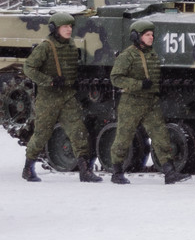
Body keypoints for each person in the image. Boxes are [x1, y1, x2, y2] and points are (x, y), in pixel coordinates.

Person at [20, 11, 101, 182]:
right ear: (54, 28)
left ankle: (84, 170)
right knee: (41, 134)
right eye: (65, 26)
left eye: (70, 26)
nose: (69, 29)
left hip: (67, 96)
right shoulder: (45, 47)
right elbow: (29, 68)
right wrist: (49, 81)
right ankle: (28, 168)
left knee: (78, 131)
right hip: (48, 98)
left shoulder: (71, 46)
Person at [108, 20, 184, 184]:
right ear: (136, 36)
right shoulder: (128, 55)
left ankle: (169, 171)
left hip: (150, 102)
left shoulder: (152, 54)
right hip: (132, 102)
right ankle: (117, 171)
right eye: (147, 35)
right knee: (124, 136)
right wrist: (139, 85)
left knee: (161, 135)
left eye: (152, 35)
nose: (151, 38)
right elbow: (116, 78)